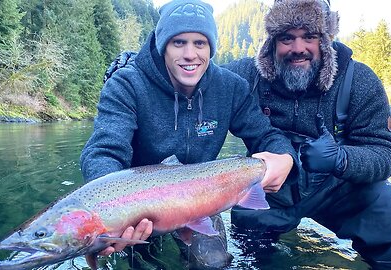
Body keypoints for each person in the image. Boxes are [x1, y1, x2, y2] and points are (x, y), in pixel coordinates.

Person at [80, 0, 297, 269]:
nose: (190, 54)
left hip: (200, 199)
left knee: (214, 263)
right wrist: (111, 211)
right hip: (139, 208)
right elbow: (103, 151)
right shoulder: (126, 84)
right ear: (163, 46)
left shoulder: (230, 88)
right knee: (138, 264)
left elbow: (266, 136)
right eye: (179, 42)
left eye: (200, 43)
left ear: (211, 47)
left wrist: (285, 157)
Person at [223, 0, 391, 269]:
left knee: (388, 205)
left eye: (309, 36)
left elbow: (385, 154)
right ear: (272, 42)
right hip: (270, 191)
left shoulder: (359, 80)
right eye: (286, 38)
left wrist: (341, 159)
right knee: (253, 256)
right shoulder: (245, 75)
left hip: (338, 189)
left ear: (326, 39)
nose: (297, 49)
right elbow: (198, 82)